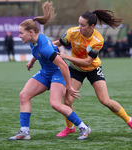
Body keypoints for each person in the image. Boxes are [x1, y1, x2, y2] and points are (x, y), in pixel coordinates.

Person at [9, 1, 91, 140]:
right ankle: (24, 132)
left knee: (55, 104)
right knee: (24, 95)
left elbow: (63, 66)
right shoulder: (33, 40)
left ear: (30, 32)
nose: (19, 36)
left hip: (58, 73)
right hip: (46, 72)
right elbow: (38, 52)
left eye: (20, 33)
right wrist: (32, 61)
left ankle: (84, 127)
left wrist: (69, 87)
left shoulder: (44, 47)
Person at [53, 9, 132, 137]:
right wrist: (46, 46)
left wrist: (66, 57)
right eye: (79, 23)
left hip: (93, 69)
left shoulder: (97, 39)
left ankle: (129, 120)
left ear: (92, 26)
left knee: (105, 101)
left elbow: (87, 62)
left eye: (83, 25)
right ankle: (70, 128)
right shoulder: (72, 32)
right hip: (76, 70)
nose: (79, 27)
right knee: (67, 101)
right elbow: (60, 43)